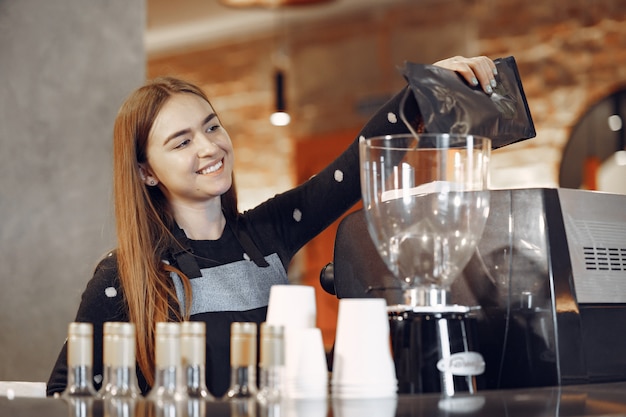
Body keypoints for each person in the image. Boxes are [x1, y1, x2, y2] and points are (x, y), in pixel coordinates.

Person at [47, 56, 498, 398]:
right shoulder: (124, 275)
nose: (209, 147)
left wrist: (422, 93)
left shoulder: (268, 233)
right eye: (182, 141)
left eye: (211, 127)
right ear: (147, 172)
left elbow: (349, 173)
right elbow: (62, 396)